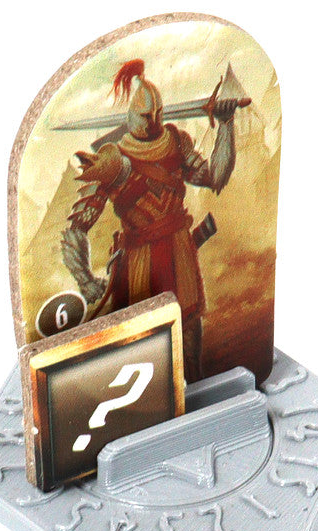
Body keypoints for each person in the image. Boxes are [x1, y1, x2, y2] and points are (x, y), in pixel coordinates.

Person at [62, 59, 239, 382]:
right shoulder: (112, 159)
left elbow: (215, 177)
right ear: (132, 115)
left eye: (158, 113)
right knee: (141, 349)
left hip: (180, 254)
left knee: (190, 338)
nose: (155, 120)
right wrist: (86, 281)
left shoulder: (177, 142)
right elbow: (76, 229)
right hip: (137, 264)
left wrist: (226, 125)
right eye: (147, 115)